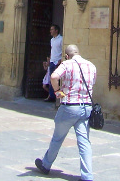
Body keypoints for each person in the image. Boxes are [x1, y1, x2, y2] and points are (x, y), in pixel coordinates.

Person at [35, 44, 96, 181]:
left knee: (57, 138)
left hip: (69, 106)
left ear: (67, 56)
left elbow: (53, 76)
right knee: (84, 142)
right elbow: (92, 84)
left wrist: (57, 91)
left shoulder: (67, 64)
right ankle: (87, 176)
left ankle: (46, 165)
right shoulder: (91, 66)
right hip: (86, 107)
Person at [45, 24, 63, 102]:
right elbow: (52, 51)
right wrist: (49, 61)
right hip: (52, 61)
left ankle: (59, 98)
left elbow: (63, 50)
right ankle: (52, 96)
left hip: (57, 62)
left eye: (52, 29)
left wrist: (60, 60)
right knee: (51, 80)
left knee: (57, 81)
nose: (50, 31)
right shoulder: (52, 40)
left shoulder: (61, 39)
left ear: (56, 30)